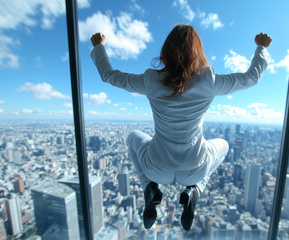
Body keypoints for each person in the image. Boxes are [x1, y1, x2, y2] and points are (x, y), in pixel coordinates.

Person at [90, 24, 271, 231]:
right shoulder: (209, 80)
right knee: (225, 145)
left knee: (133, 137)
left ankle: (149, 188)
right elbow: (251, 78)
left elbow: (110, 76)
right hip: (195, 169)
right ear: (197, 52)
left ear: (166, 50)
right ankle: (195, 191)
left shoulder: (151, 80)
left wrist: (99, 46)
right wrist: (261, 48)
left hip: (156, 168)